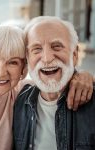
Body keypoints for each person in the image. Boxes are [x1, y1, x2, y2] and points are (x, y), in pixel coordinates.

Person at [0, 24, 93, 150]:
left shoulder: (21, 93)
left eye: (13, 62)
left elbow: (55, 80)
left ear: (23, 68)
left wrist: (83, 76)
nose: (1, 73)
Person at [13, 16, 95, 150]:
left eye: (57, 47)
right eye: (37, 49)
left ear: (74, 55)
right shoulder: (19, 101)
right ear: (27, 58)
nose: (46, 58)